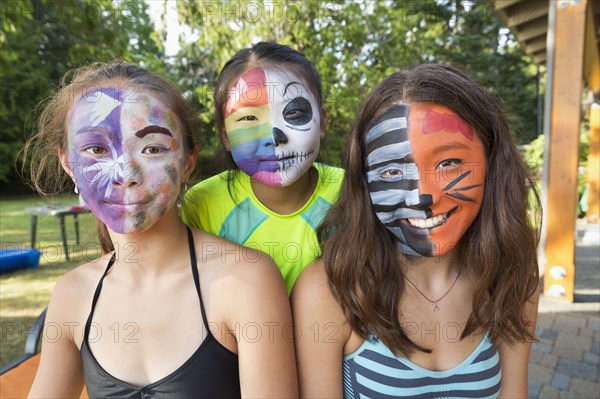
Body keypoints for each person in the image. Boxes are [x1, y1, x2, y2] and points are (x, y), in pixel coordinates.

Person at [25, 61, 297, 398]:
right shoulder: (72, 294)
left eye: (152, 148)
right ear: (68, 163)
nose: (125, 173)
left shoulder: (245, 281)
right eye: (96, 149)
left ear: (188, 162)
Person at [292, 64, 540, 398]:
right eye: (392, 171)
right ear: (364, 182)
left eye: (448, 163)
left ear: (493, 162)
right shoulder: (331, 290)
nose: (422, 196)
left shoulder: (512, 274)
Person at [182, 42, 344, 294]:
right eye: (248, 118)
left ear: (322, 122)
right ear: (225, 137)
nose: (274, 136)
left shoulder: (351, 192)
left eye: (293, 113)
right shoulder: (203, 204)